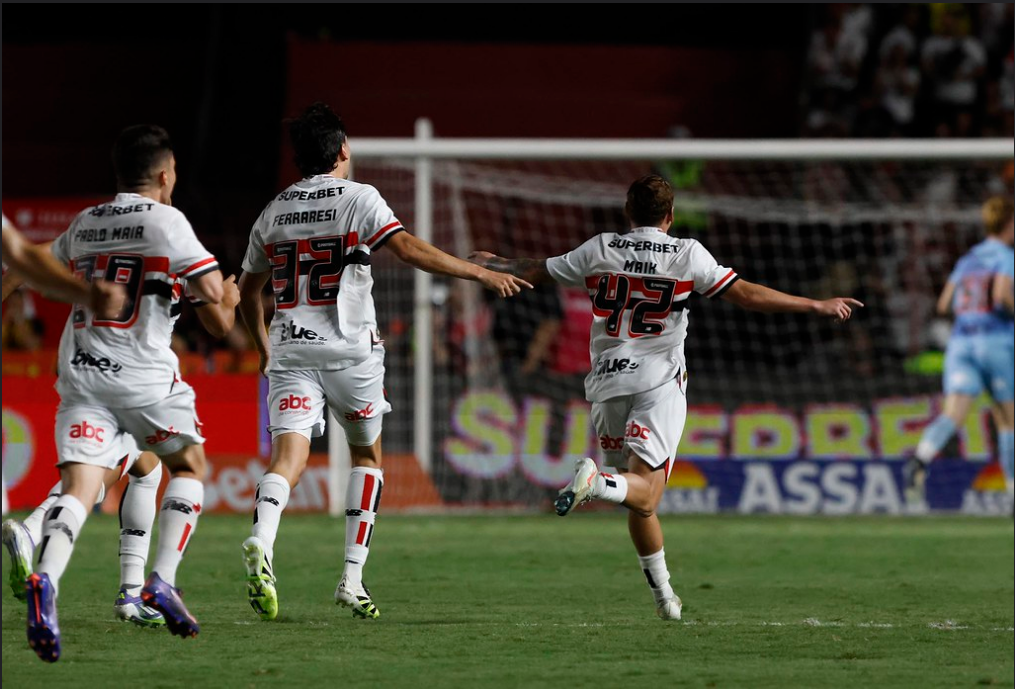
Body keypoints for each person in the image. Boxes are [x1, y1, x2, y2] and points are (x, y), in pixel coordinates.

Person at [469, 175, 861, 620]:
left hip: (606, 384)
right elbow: (747, 295)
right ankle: (595, 483)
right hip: (658, 382)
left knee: (636, 497)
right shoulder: (687, 253)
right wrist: (814, 305)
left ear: (626, 211)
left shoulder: (600, 248)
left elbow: (535, 269)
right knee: (644, 495)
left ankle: (664, 596)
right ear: (670, 217)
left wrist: (493, 263)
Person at [237, 103, 530, 622]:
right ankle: (351, 579)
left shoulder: (274, 211)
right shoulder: (360, 198)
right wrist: (477, 274)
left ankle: (261, 537)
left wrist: (263, 348)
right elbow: (409, 248)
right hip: (351, 351)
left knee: (288, 459)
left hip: (290, 350)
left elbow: (247, 291)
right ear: (343, 150)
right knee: (367, 458)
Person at [24, 124, 229, 662]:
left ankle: (46, 579)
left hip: (81, 371)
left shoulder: (86, 220)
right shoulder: (167, 221)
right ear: (165, 175)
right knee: (188, 467)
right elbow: (210, 293)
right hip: (143, 378)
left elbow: (40, 265)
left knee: (81, 489)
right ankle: (160, 580)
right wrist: (223, 292)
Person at [2, 268, 238, 628]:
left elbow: (25, 263)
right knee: (156, 469)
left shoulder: (93, 237)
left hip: (82, 366)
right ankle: (32, 532)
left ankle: (130, 593)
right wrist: (229, 299)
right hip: (132, 376)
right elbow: (220, 325)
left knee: (145, 468)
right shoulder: (170, 239)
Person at [906, 197, 1014, 503]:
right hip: (995, 341)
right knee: (1008, 420)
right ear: (1009, 224)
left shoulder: (967, 259)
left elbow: (944, 304)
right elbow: (1002, 294)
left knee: (953, 414)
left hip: (961, 342)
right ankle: (1013, 492)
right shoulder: (1006, 257)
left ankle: (921, 458)